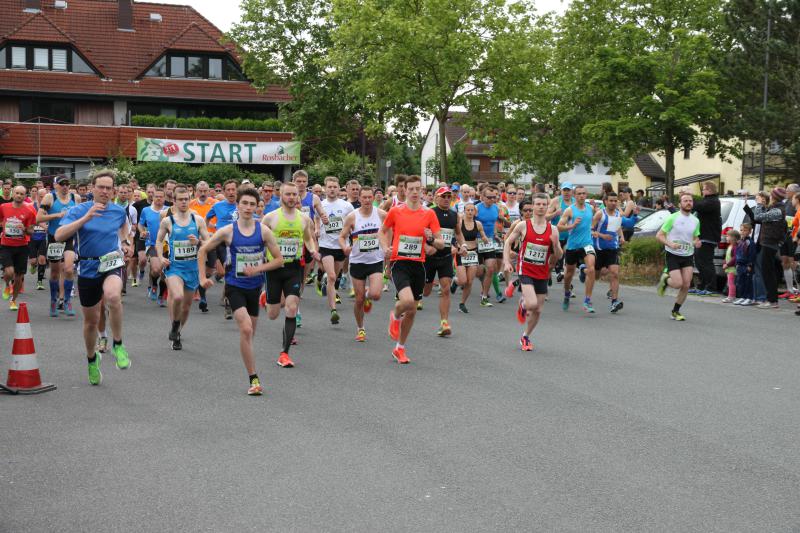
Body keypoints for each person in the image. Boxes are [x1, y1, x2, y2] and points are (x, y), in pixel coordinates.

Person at [199, 186, 284, 395]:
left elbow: (279, 260)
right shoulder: (228, 231)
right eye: (244, 203)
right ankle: (254, 379)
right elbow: (203, 250)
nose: (248, 207)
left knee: (250, 334)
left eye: (252, 204)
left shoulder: (263, 231)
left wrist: (258, 268)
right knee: (246, 329)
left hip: (255, 287)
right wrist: (202, 278)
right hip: (234, 286)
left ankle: (250, 365)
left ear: (257, 207)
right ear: (237, 205)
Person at [55, 170, 132, 385]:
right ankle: (91, 359)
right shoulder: (78, 210)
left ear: (113, 191)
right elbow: (59, 235)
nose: (105, 191)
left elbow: (124, 229)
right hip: (88, 267)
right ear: (92, 188)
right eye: (101, 187)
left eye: (109, 188)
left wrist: (126, 243)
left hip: (112, 262)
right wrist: (86, 218)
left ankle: (118, 345)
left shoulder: (118, 211)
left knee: (113, 296)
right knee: (91, 322)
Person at [379, 175, 444, 364]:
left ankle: (400, 348)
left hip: (419, 265)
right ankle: (395, 315)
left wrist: (431, 239)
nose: (415, 192)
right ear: (405, 191)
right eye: (411, 189)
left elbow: (441, 243)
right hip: (399, 263)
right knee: (406, 301)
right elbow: (382, 232)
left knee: (413, 310)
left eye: (418, 189)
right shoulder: (396, 211)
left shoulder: (429, 214)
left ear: (422, 191)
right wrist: (385, 248)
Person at [262, 181, 319, 368]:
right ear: (281, 196)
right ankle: (266, 297)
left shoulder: (304, 219)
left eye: (295, 194)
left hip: (294, 268)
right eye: (288, 194)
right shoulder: (270, 218)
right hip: (274, 269)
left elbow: (308, 239)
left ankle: (284, 354)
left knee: (292, 308)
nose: (292, 197)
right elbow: (259, 238)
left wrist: (313, 250)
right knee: (272, 314)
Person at [502, 195, 563, 351]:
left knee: (538, 310)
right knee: (531, 304)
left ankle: (526, 336)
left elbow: (558, 255)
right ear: (533, 206)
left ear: (547, 207)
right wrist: (507, 261)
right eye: (538, 204)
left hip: (542, 272)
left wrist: (555, 245)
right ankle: (523, 303)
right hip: (525, 270)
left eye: (544, 204)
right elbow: (508, 242)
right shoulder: (523, 225)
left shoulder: (553, 230)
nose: (541, 207)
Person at [156, 186, 211, 350]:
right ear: (174, 201)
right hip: (174, 267)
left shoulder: (198, 220)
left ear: (190, 199)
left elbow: (209, 243)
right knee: (177, 296)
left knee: (186, 308)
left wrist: (198, 242)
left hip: (192, 268)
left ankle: (177, 332)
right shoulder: (168, 221)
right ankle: (174, 325)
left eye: (186, 199)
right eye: (180, 199)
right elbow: (158, 241)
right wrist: (161, 257)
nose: (184, 202)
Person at [339, 186, 386, 341]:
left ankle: (368, 294)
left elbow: (391, 228)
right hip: (357, 261)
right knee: (359, 300)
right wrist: (345, 247)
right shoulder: (352, 217)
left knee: (376, 295)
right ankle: (360, 328)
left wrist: (387, 246)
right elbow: (342, 236)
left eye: (369, 197)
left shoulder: (381, 214)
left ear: (373, 198)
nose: (367, 200)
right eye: (364, 197)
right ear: (359, 199)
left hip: (375, 260)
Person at [36, 175, 80, 317]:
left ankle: (67, 301)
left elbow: (80, 216)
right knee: (55, 272)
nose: (65, 186)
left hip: (69, 237)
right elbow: (38, 218)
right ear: (56, 186)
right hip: (54, 238)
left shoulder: (75, 198)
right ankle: (53, 301)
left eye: (67, 184)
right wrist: (57, 215)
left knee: (69, 269)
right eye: (62, 184)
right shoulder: (50, 198)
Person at [422, 186, 463, 336]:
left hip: (445, 257)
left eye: (449, 197)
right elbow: (419, 231)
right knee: (426, 292)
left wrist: (462, 245)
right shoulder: (429, 213)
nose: (446, 199)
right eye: (443, 196)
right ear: (436, 198)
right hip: (429, 258)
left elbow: (458, 234)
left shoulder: (454, 215)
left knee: (445, 290)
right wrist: (426, 246)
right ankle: (412, 297)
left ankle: (444, 323)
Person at [656, 192, 701, 320]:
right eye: (685, 201)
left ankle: (675, 311)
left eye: (690, 201)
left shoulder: (695, 220)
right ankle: (665, 280)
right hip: (673, 254)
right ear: (680, 204)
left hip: (687, 255)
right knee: (677, 284)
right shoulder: (673, 218)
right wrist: (670, 244)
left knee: (686, 285)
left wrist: (697, 242)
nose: (688, 203)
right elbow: (659, 235)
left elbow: (695, 237)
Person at [316, 176, 354, 324]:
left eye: (334, 187)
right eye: (329, 187)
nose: (332, 189)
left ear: (339, 188)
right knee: (332, 276)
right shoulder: (320, 205)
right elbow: (316, 220)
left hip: (340, 245)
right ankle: (333, 310)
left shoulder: (347, 206)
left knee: (334, 277)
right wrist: (316, 229)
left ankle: (327, 284)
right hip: (325, 245)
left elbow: (353, 224)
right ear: (325, 189)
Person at [744, 188, 787, 309]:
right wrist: (760, 205)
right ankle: (771, 300)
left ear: (775, 197)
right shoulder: (775, 208)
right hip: (768, 243)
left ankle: (772, 300)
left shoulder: (778, 210)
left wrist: (758, 204)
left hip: (770, 243)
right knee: (767, 272)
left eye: (771, 195)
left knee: (768, 273)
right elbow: (758, 217)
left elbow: (758, 217)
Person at [557, 185, 597, 313]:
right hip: (573, 245)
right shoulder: (570, 210)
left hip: (587, 244)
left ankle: (587, 300)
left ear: (586, 195)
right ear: (575, 196)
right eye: (579, 193)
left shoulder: (590, 208)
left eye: (583, 193)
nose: (581, 196)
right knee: (569, 274)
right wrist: (572, 225)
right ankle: (567, 293)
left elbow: (594, 221)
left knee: (591, 269)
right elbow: (559, 227)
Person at [206, 180, 239, 318]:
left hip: (237, 242)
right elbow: (207, 219)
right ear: (224, 192)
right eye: (228, 190)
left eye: (233, 189)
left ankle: (227, 298)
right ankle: (228, 300)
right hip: (221, 242)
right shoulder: (217, 206)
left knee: (232, 271)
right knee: (228, 270)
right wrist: (211, 230)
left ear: (237, 191)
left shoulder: (242, 205)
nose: (231, 192)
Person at [0, 185, 37, 310]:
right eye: (17, 193)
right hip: (6, 245)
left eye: (22, 194)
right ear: (13, 193)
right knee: (9, 272)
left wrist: (25, 229)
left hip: (22, 246)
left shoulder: (30, 210)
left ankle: (13, 300)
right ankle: (7, 285)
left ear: (25, 196)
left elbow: (31, 231)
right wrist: (4, 228)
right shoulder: (3, 207)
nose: (19, 195)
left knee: (19, 277)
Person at [591, 191, 626, 313]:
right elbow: (590, 230)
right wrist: (602, 236)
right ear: (605, 201)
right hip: (599, 249)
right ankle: (585, 271)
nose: (613, 203)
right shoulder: (600, 214)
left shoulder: (617, 214)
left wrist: (621, 237)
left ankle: (614, 302)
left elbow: (618, 227)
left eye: (615, 201)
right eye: (611, 200)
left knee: (614, 273)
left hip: (612, 248)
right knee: (596, 275)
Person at [452, 202, 490, 313]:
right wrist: (457, 247)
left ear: (475, 212)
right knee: (463, 280)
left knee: (469, 282)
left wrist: (485, 239)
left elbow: (483, 235)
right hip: (461, 253)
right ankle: (456, 281)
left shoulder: (478, 224)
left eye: (472, 210)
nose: (470, 212)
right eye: (467, 210)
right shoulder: (459, 223)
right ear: (464, 211)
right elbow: (454, 237)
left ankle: (462, 304)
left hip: (473, 254)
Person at [188, 180, 218, 312]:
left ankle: (199, 283)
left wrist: (214, 230)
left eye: (205, 191)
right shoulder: (190, 204)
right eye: (200, 191)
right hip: (195, 240)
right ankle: (201, 293)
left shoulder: (215, 204)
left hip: (211, 240)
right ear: (195, 192)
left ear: (209, 191)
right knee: (196, 266)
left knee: (210, 269)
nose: (203, 193)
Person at [475, 185, 505, 306]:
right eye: (489, 197)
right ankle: (458, 281)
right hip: (476, 241)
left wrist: (495, 235)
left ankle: (486, 296)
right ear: (482, 197)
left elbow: (492, 224)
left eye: (494, 197)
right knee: (478, 272)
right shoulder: (476, 208)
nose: (492, 199)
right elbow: (468, 223)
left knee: (491, 269)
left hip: (489, 242)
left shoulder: (496, 208)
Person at [690, 181, 721, 295]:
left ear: (709, 190)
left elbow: (698, 206)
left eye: (703, 189)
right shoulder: (707, 200)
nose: (702, 191)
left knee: (706, 262)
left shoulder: (713, 201)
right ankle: (703, 285)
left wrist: (690, 197)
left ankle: (711, 287)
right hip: (702, 235)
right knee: (699, 262)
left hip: (709, 236)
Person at [138, 188, 167, 305]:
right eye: (156, 196)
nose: (158, 198)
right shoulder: (146, 210)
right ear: (152, 198)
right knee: (156, 270)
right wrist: (142, 231)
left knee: (165, 273)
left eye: (161, 196)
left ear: (164, 198)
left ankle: (161, 295)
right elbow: (140, 224)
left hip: (167, 245)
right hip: (152, 244)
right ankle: (154, 284)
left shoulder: (169, 210)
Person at [546, 182, 575, 282]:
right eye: (564, 190)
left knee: (569, 260)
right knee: (551, 263)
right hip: (556, 236)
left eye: (568, 190)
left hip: (571, 237)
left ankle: (568, 284)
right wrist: (555, 213)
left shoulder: (575, 202)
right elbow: (545, 217)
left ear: (572, 191)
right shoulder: (555, 201)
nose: (566, 192)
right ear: (561, 191)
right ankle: (546, 277)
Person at [131, 183, 155, 287]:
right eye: (149, 192)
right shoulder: (139, 204)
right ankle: (140, 271)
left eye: (152, 192)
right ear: (145, 192)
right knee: (142, 259)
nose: (151, 194)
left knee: (153, 262)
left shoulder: (160, 205)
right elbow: (130, 212)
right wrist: (133, 225)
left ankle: (152, 284)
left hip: (154, 235)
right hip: (141, 233)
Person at [778, 183, 799, 298]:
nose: (786, 192)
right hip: (784, 236)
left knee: (793, 263)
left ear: (795, 192)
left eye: (788, 190)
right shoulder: (785, 202)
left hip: (794, 237)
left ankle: (796, 291)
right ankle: (789, 290)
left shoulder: (797, 203)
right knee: (784, 261)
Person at [27, 188, 48, 291]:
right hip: (32, 237)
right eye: (41, 196)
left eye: (44, 197)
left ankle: (39, 282)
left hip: (44, 237)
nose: (43, 198)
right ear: (37, 196)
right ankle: (33, 265)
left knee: (42, 259)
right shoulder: (31, 206)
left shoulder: (50, 208)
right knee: (33, 261)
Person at [733, 223, 757, 305]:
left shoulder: (750, 242)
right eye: (741, 230)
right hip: (740, 265)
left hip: (746, 266)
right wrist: (736, 264)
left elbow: (752, 255)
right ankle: (742, 297)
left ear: (750, 232)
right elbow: (737, 254)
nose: (742, 232)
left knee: (748, 282)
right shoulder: (740, 242)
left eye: (745, 230)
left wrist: (750, 265)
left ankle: (749, 298)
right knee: (740, 282)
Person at [720, 229, 740, 303]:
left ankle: (731, 296)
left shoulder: (735, 247)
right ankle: (731, 296)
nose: (726, 238)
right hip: (729, 268)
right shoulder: (730, 246)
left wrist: (727, 264)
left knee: (731, 283)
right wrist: (724, 263)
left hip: (732, 268)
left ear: (733, 238)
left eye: (728, 236)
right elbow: (727, 257)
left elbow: (734, 258)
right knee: (729, 282)